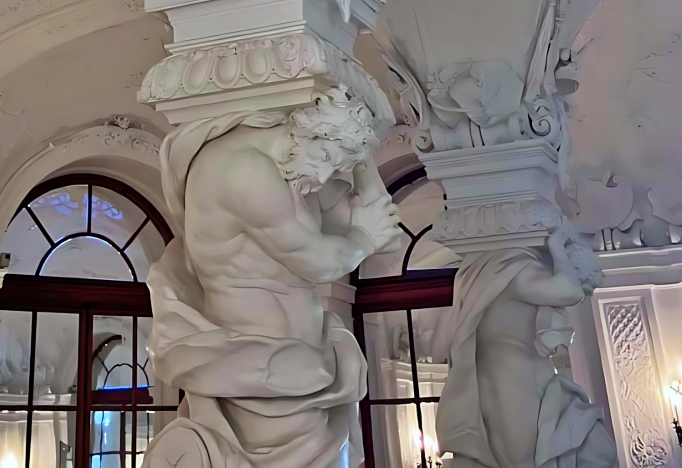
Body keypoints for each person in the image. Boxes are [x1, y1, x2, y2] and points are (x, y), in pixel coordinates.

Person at [142, 88, 402, 468]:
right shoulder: (244, 170)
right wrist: (363, 238)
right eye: (326, 159)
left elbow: (385, 228)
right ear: (307, 127)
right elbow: (318, 262)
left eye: (335, 166)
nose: (325, 176)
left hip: (305, 364)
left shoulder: (300, 162)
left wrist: (362, 152)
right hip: (256, 369)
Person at [431, 224, 617, 468]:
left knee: (591, 446)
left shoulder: (496, 271)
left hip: (528, 378)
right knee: (528, 458)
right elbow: (568, 290)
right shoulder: (517, 269)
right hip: (512, 379)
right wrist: (557, 247)